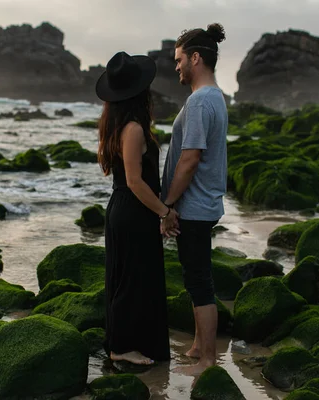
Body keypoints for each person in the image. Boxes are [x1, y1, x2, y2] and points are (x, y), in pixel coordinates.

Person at [96, 51, 176, 365]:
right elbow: (134, 181)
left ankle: (128, 343)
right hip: (132, 208)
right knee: (131, 280)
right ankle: (121, 347)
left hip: (126, 209)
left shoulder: (121, 126)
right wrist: (164, 212)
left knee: (131, 277)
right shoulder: (133, 129)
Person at [160, 23, 228, 375]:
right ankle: (200, 346)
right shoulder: (214, 97)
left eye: (179, 59)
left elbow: (190, 158)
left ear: (196, 58)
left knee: (199, 280)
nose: (176, 67)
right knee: (194, 276)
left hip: (196, 206)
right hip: (203, 204)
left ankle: (208, 359)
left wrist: (168, 203)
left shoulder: (201, 100)